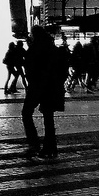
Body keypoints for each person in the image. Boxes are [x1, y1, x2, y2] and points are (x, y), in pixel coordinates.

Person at [21, 25, 67, 162]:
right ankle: (50, 146)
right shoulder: (53, 49)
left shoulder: (35, 49)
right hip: (51, 87)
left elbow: (29, 67)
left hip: (37, 86)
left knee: (26, 113)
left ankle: (34, 143)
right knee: (48, 117)